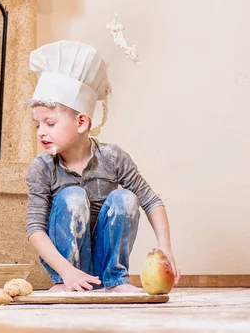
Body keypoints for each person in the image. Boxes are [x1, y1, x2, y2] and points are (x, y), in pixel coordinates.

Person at [25, 40, 180, 293]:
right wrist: (66, 272)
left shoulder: (113, 158)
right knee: (72, 196)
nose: (41, 131)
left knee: (126, 198)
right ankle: (66, 283)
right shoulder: (43, 167)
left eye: (50, 123)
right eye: (37, 125)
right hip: (69, 269)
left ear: (81, 123)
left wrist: (165, 249)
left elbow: (151, 201)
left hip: (102, 261)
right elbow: (35, 229)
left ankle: (113, 281)